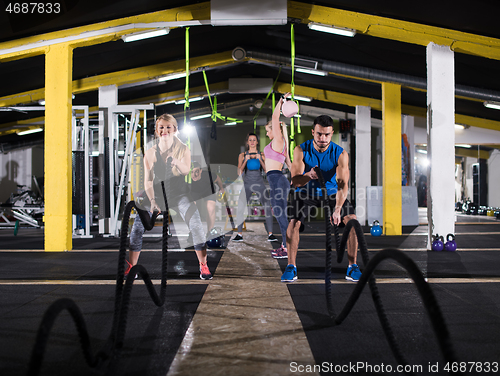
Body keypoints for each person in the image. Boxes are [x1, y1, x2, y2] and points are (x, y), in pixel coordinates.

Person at [126, 113, 212, 280]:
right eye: (161, 127)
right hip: (156, 195)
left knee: (196, 225)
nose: (165, 130)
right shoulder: (151, 153)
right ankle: (132, 267)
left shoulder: (183, 149)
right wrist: (152, 201)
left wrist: (176, 162)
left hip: (179, 194)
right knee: (137, 228)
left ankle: (203, 265)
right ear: (157, 131)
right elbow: (148, 181)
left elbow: (186, 170)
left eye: (168, 127)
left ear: (175, 130)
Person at [281, 115, 361, 282]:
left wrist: (338, 208)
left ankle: (352, 267)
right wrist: (308, 176)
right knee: (293, 223)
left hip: (332, 193)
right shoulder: (301, 150)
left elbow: (343, 184)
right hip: (305, 192)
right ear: (313, 132)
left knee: (352, 222)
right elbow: (295, 181)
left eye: (326, 135)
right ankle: (291, 266)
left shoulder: (340, 154)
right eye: (319, 134)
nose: (322, 139)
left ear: (332, 134)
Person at [232, 132, 277, 242]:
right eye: (250, 140)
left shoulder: (262, 154)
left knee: (267, 206)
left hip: (259, 183)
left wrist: (260, 160)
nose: (252, 142)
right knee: (241, 207)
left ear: (257, 142)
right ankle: (239, 234)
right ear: (247, 142)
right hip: (247, 183)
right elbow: (239, 172)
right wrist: (245, 160)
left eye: (254, 140)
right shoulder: (242, 155)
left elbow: (267, 170)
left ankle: (270, 234)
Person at [264, 93, 293, 258]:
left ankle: (287, 247)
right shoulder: (281, 143)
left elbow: (275, 116)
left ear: (273, 129)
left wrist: (282, 100)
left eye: (268, 131)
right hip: (278, 180)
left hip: (277, 180)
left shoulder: (278, 140)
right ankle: (286, 245)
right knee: (280, 214)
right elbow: (289, 164)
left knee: (281, 215)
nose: (268, 134)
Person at [189, 161, 225, 235]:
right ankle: (193, 231)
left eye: (197, 171)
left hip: (208, 190)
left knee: (210, 209)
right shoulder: (187, 178)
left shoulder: (207, 175)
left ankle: (210, 232)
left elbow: (218, 178)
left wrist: (221, 188)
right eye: (192, 172)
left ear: (201, 171)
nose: (194, 175)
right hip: (195, 191)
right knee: (191, 208)